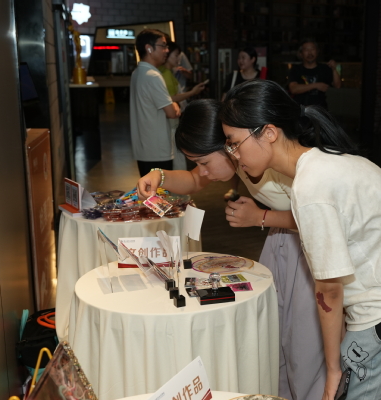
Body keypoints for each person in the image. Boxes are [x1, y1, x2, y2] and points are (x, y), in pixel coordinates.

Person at [219, 79, 381, 400]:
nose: (232, 154)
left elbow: (329, 289)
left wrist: (333, 370)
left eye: (234, 143)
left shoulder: (312, 185)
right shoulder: (324, 161)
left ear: (268, 133)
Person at [137, 99, 328, 400]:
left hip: (313, 249)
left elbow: (320, 217)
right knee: (276, 334)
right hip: (283, 240)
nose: (202, 172)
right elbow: (193, 180)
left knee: (305, 344)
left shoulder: (270, 159)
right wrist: (158, 176)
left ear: (228, 144)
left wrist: (260, 217)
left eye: (204, 162)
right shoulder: (241, 157)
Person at [130, 29, 180, 176]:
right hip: (157, 150)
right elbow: (172, 113)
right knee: (161, 189)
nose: (167, 50)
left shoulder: (137, 72)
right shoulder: (153, 75)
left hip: (144, 148)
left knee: (149, 188)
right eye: (163, 46)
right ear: (149, 48)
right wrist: (174, 104)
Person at [222, 46, 262, 200]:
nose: (240, 61)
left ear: (253, 59)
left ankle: (261, 192)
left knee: (258, 158)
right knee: (234, 157)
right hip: (235, 123)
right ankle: (234, 189)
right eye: (239, 58)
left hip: (255, 122)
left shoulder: (262, 76)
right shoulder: (233, 76)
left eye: (244, 57)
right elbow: (224, 99)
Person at [158, 41, 206, 170]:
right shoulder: (166, 74)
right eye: (176, 55)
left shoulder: (166, 72)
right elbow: (171, 98)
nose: (178, 59)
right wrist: (192, 92)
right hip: (171, 121)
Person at [287, 39, 341, 109]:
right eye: (306, 50)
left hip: (320, 110)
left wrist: (334, 69)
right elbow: (293, 89)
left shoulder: (324, 68)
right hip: (301, 110)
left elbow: (337, 85)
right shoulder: (296, 69)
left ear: (317, 52)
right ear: (301, 54)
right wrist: (316, 85)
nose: (310, 53)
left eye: (312, 49)